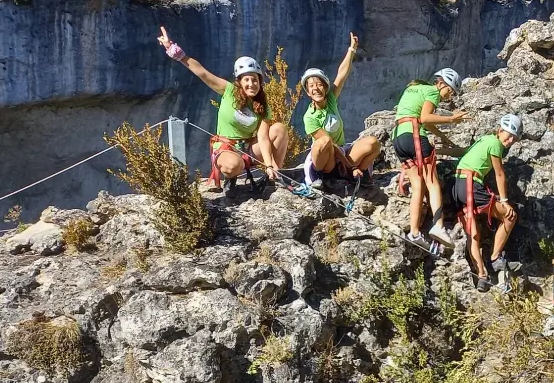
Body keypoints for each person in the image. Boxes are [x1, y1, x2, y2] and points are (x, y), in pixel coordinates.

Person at [156, 26, 288, 191]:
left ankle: (274, 176)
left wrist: (269, 165)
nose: (251, 84)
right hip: (226, 148)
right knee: (233, 165)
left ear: (260, 82)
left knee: (279, 129)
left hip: (248, 149)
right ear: (239, 81)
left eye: (255, 80)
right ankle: (230, 179)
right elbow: (202, 72)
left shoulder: (261, 104)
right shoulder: (229, 90)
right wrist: (174, 51)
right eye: (246, 80)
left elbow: (263, 137)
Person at [392, 69, 465, 248]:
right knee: (432, 183)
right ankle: (438, 227)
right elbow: (425, 118)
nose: (450, 97)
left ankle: (414, 232)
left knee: (418, 186)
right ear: (442, 83)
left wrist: (443, 137)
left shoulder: (415, 89)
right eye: (450, 91)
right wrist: (451, 119)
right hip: (415, 136)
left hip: (399, 138)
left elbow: (417, 117)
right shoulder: (432, 91)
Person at [300, 33, 381, 190]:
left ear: (325, 87)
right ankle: (319, 176)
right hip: (328, 161)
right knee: (324, 142)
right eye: (311, 86)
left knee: (373, 143)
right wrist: (350, 165)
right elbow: (329, 144)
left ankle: (361, 174)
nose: (316, 88)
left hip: (343, 152)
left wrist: (352, 49)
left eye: (319, 84)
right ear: (308, 92)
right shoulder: (309, 117)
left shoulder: (330, 100)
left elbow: (342, 74)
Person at [452, 114, 523, 292]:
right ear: (500, 131)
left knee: (473, 233)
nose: (510, 141)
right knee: (510, 216)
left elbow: (464, 153)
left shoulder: (484, 140)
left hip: (458, 187)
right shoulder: (495, 144)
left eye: (514, 139)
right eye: (508, 136)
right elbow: (499, 174)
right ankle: (496, 257)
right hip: (472, 186)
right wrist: (505, 201)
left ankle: (482, 276)